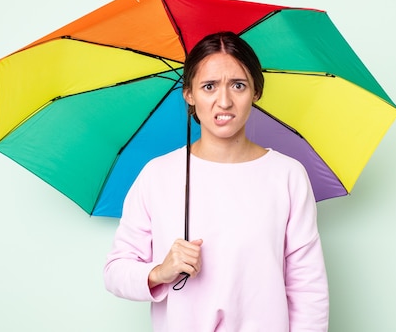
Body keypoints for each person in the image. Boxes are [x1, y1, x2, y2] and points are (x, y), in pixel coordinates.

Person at [104, 31, 329, 331]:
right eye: (209, 86)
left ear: (256, 92)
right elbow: (115, 271)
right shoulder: (158, 175)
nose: (224, 101)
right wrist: (160, 271)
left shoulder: (287, 175)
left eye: (238, 85)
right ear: (189, 94)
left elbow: (308, 289)